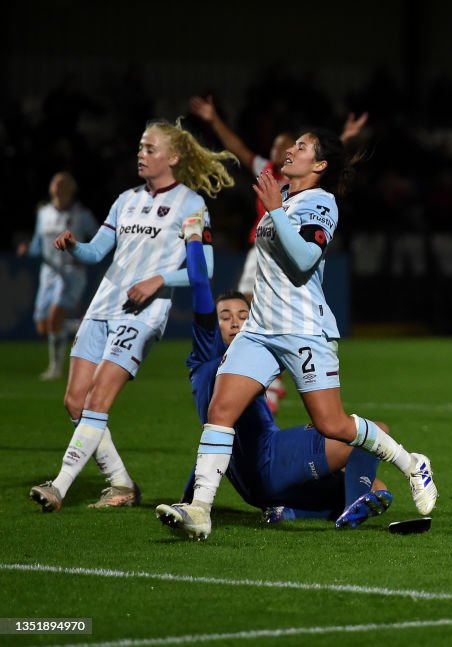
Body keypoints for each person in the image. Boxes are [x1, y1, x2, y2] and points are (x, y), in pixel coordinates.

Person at [156, 127, 437, 540]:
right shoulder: (285, 202)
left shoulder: (321, 203)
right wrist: (275, 209)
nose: (290, 149)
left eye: (302, 147)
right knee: (221, 410)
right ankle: (199, 510)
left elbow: (306, 258)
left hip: (303, 330)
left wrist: (272, 212)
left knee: (333, 424)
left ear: (319, 165)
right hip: (260, 332)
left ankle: (412, 464)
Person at [29, 119, 236, 512]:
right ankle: (121, 484)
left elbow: (204, 268)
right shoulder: (125, 200)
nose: (141, 154)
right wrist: (74, 247)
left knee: (98, 399)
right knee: (75, 401)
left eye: (149, 148)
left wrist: (159, 280)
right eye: (140, 148)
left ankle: (59, 486)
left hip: (141, 315)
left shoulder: (192, 205)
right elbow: (95, 252)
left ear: (172, 157)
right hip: (101, 307)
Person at [157, 217, 392, 532]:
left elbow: (212, 444)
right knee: (374, 432)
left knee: (376, 485)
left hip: (255, 488)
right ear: (212, 325)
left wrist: (188, 498)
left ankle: (294, 512)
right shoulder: (205, 357)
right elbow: (200, 282)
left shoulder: (253, 356)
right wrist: (196, 238)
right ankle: (350, 514)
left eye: (243, 316)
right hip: (273, 462)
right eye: (225, 317)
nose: (235, 323)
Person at [188, 94, 368, 413]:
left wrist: (344, 140)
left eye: (293, 146)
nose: (283, 151)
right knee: (245, 309)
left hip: (288, 254)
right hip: (264, 247)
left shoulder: (311, 194)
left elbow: (322, 158)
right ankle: (260, 375)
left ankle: (269, 376)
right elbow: (241, 152)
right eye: (281, 147)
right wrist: (213, 119)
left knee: (330, 422)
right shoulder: (272, 172)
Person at [17, 172, 98, 380]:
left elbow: (99, 239)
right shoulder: (44, 213)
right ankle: (87, 324)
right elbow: (38, 245)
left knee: (54, 318)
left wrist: (85, 253)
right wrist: (27, 249)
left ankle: (55, 369)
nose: (59, 186)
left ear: (73, 188)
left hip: (71, 272)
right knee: (44, 327)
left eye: (64, 183)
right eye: (56, 182)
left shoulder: (82, 214)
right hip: (49, 273)